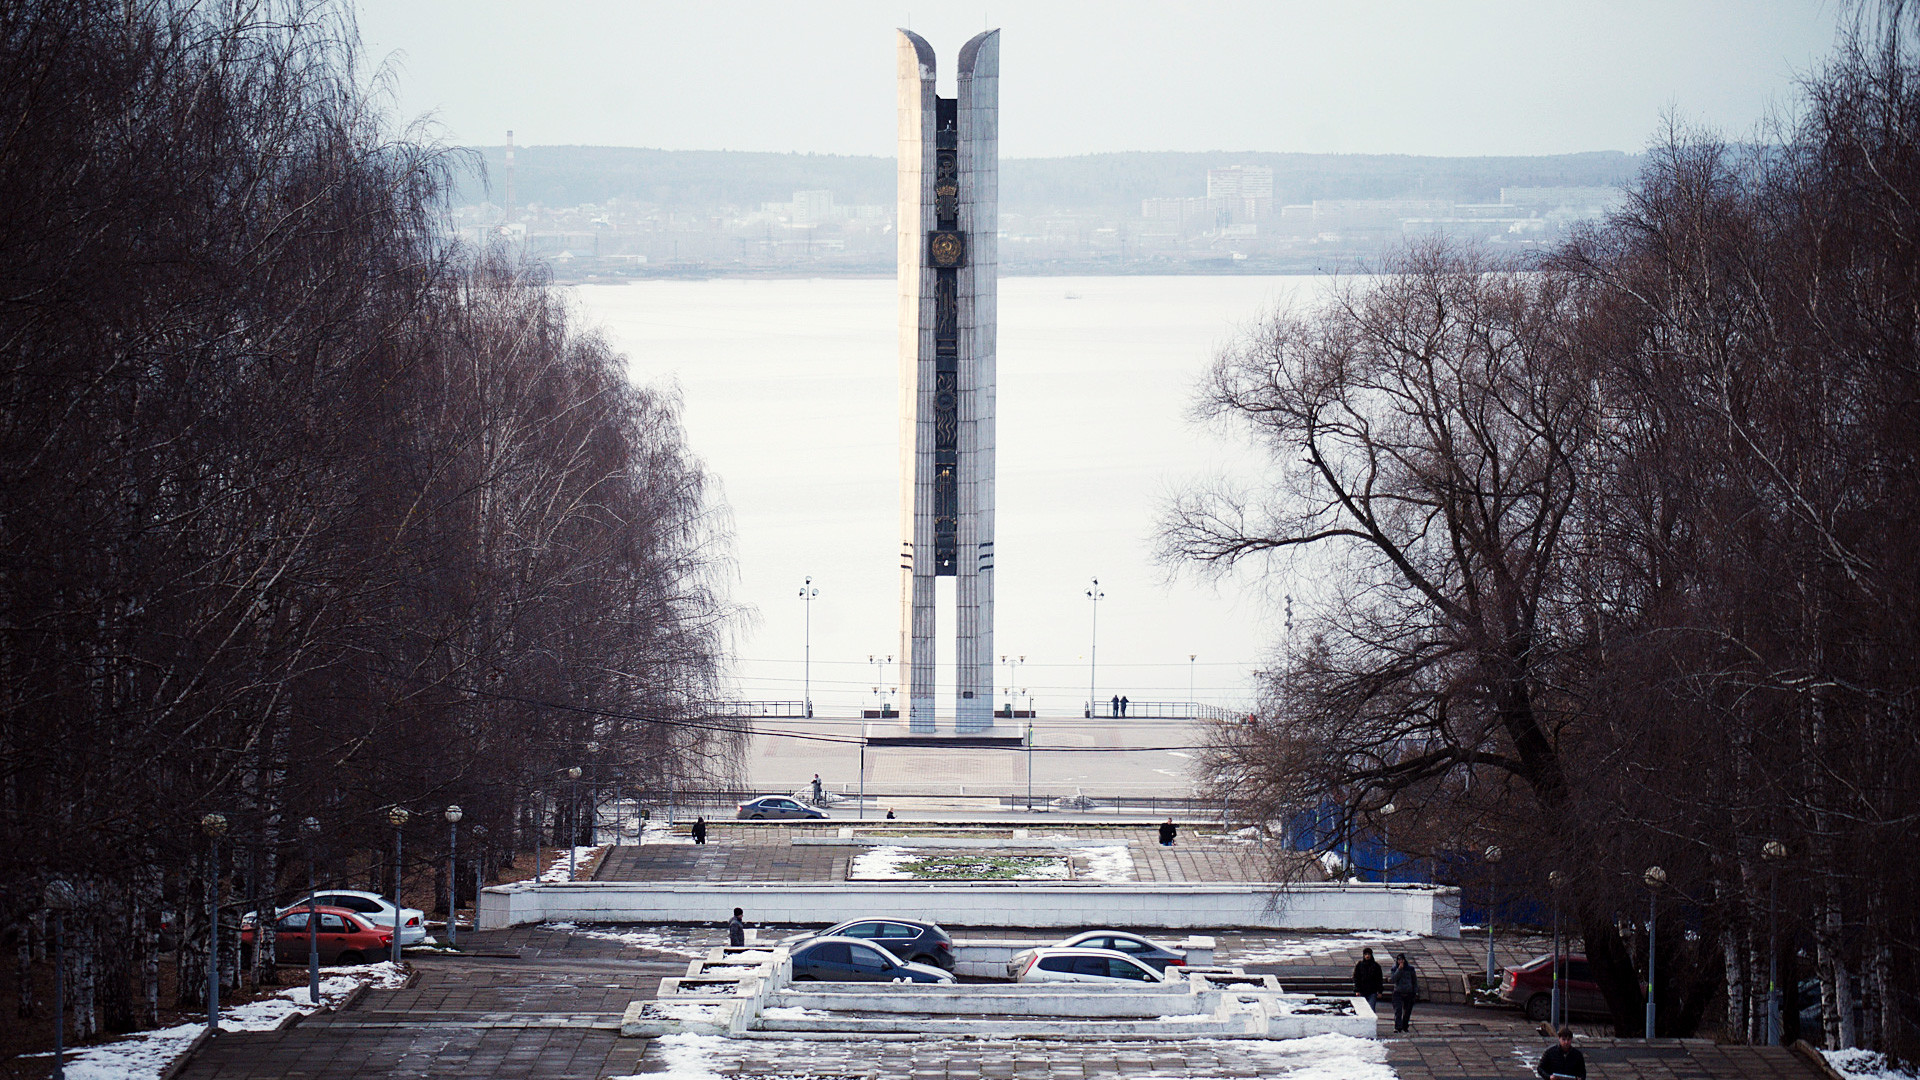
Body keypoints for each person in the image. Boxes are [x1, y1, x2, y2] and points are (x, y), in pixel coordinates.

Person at [1390, 953, 1419, 1032]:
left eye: (1402, 960)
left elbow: (1414, 981)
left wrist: (1415, 991)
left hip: (1409, 992)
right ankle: (1397, 1027)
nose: (1400, 962)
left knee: (1407, 1011)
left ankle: (1405, 1026)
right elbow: (1393, 979)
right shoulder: (1394, 968)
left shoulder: (1410, 969)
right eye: (1399, 960)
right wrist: (1399, 970)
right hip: (1398, 992)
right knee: (1398, 1010)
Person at [1353, 947, 1384, 1013]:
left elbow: (1379, 979)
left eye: (1369, 954)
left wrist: (1380, 991)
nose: (1367, 956)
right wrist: (1357, 990)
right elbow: (1356, 978)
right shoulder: (1360, 965)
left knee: (1371, 1009)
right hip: (1362, 990)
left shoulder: (1376, 966)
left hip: (1372, 991)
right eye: (1366, 954)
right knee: (1362, 1009)